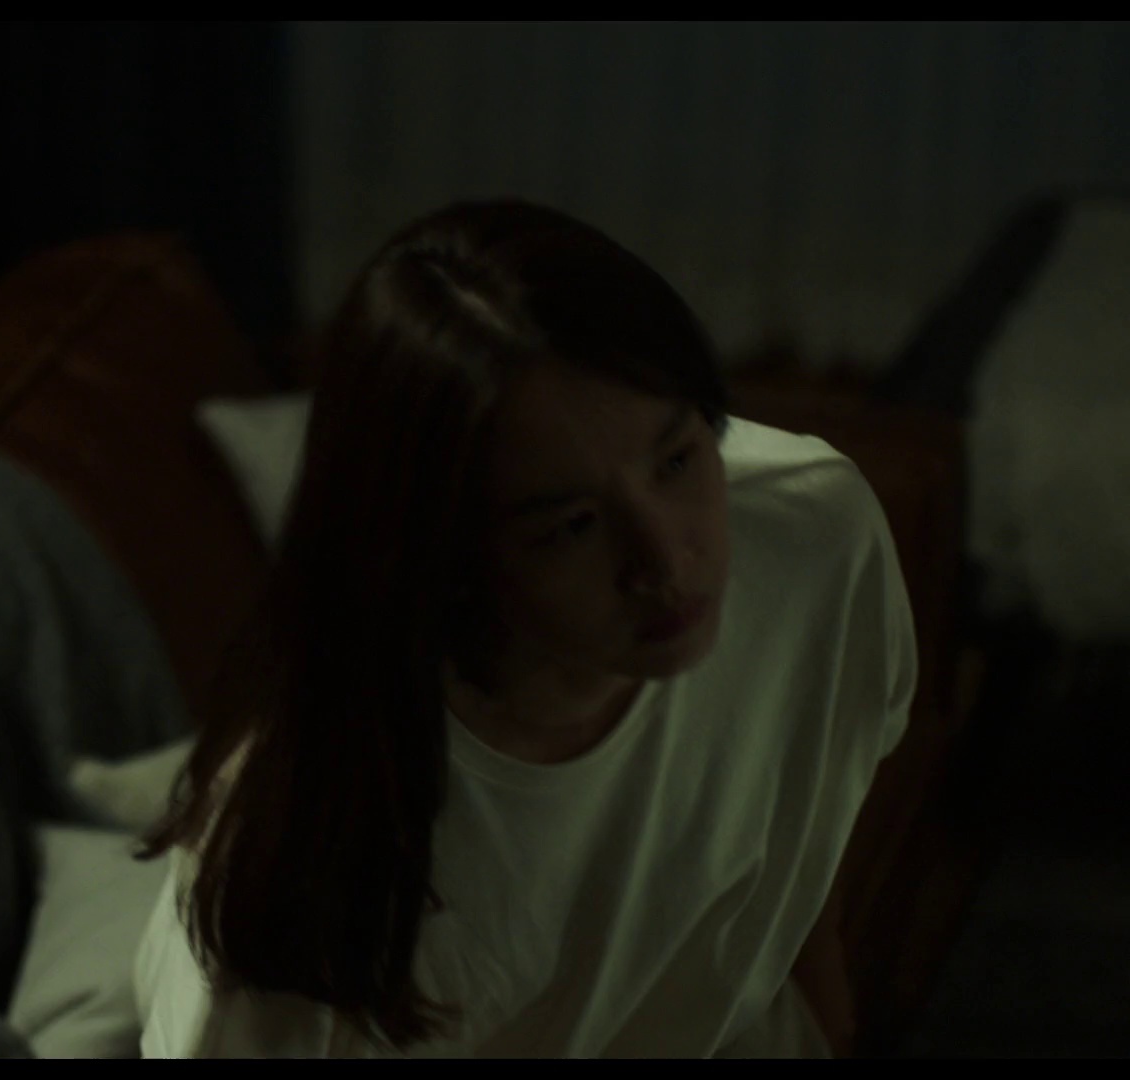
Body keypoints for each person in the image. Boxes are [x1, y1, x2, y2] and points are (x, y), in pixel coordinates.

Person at [130, 200, 916, 1057]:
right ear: (447, 553)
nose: (667, 561)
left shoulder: (813, 535)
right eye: (572, 526)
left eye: (678, 458)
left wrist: (825, 999)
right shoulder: (301, 871)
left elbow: (814, 796)